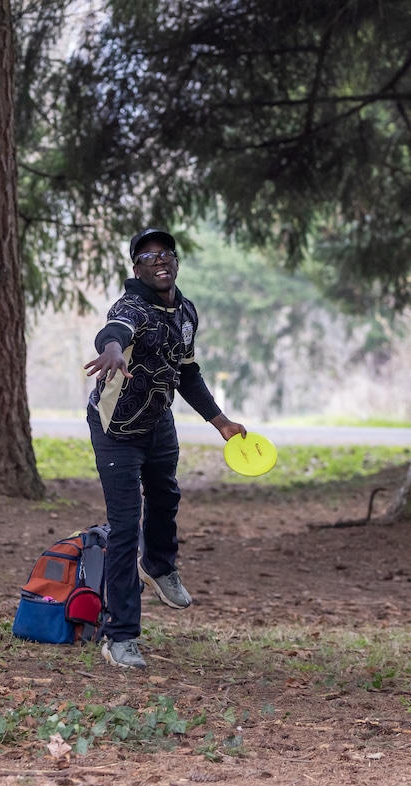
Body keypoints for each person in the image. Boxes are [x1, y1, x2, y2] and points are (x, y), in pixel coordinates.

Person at [84, 228, 246, 670]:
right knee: (123, 529)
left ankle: (158, 565)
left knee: (167, 497)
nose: (160, 260)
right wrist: (113, 350)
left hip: (159, 424)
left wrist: (221, 422)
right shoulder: (132, 306)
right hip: (116, 428)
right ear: (137, 267)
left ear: (175, 262)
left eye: (167, 254)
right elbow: (114, 331)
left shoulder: (186, 311)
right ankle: (121, 638)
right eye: (148, 256)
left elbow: (187, 372)